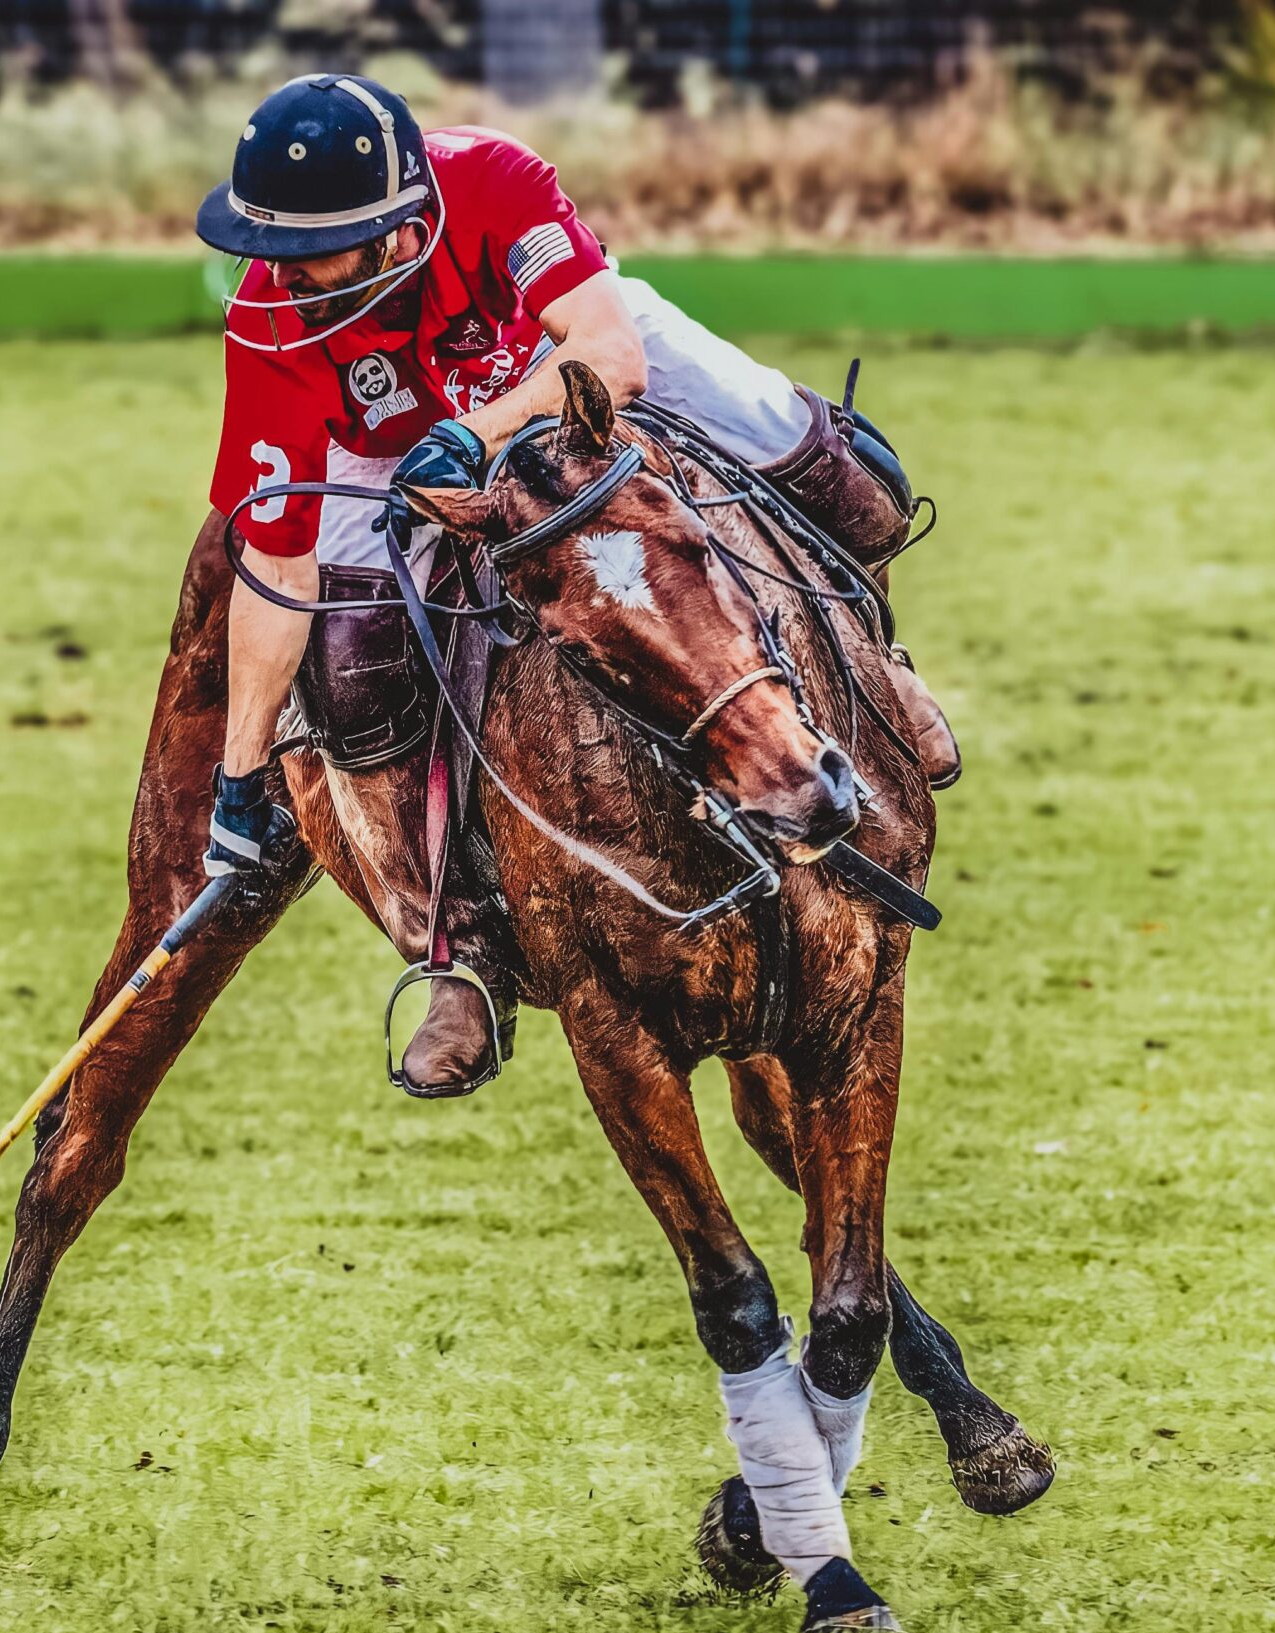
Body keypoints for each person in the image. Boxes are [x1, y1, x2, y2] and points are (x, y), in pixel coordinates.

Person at [194, 73, 958, 1093]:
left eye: (310, 247)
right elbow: (276, 562)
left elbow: (605, 352)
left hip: (552, 371)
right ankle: (452, 955)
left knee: (856, 480)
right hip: (380, 451)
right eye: (268, 246)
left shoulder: (492, 182)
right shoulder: (270, 327)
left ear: (399, 224)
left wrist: (476, 430)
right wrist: (239, 781)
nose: (283, 272)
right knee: (348, 673)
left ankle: (884, 675)